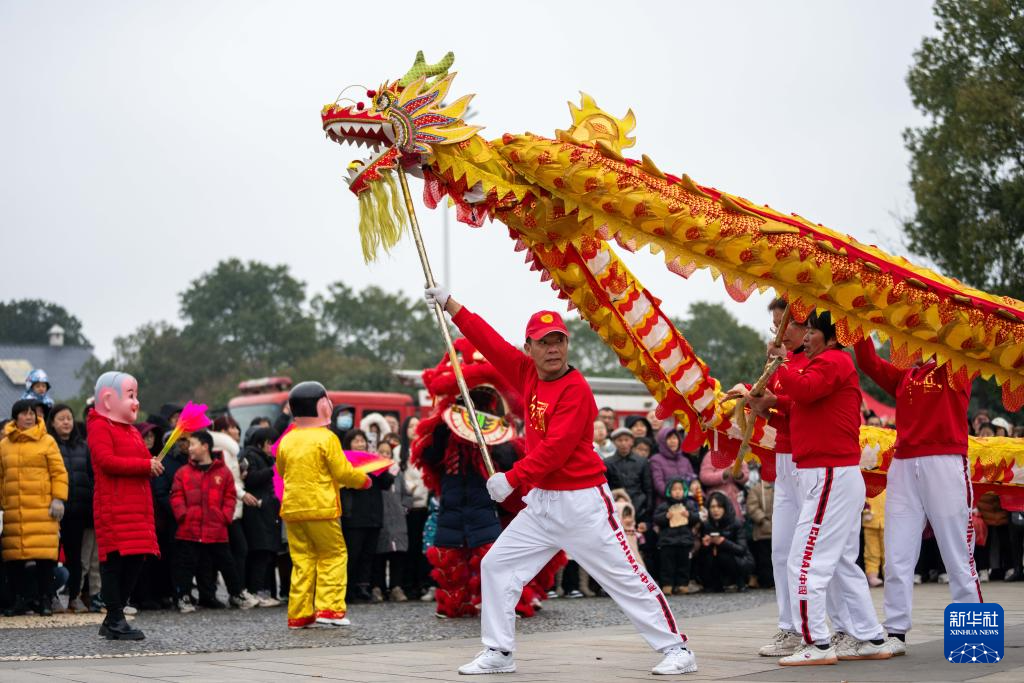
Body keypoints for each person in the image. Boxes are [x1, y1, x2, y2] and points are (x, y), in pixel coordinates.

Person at [425, 285, 696, 676]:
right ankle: (499, 652)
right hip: (544, 505)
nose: (553, 349)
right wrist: (451, 305)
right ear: (529, 347)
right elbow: (488, 339)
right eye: (544, 343)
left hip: (583, 504)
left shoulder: (576, 389)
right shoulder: (524, 371)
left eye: (559, 341)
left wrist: (512, 479)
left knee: (625, 578)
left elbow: (557, 450)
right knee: (497, 566)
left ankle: (677, 649)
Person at [762, 312, 891, 665]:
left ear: (832, 338)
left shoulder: (834, 361)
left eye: (813, 332)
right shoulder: (827, 363)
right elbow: (801, 400)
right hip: (831, 473)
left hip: (829, 473)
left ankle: (816, 643)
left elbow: (804, 389)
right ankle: (870, 637)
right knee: (839, 565)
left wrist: (780, 362)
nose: (805, 338)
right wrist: (768, 404)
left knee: (803, 562)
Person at [853, 333, 981, 654]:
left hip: (946, 461)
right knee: (898, 553)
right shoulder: (905, 375)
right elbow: (868, 362)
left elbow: (973, 341)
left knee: (957, 552)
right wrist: (855, 322)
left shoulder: (955, 366)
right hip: (904, 464)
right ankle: (895, 632)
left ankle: (974, 636)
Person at [729, 298, 809, 658]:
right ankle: (789, 628)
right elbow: (776, 411)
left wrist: (773, 398)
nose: (778, 333)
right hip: (786, 460)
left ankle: (841, 629)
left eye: (784, 324)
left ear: (808, 329)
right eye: (774, 325)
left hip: (814, 461)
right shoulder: (778, 362)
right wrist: (751, 397)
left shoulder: (817, 361)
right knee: (781, 550)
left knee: (814, 553)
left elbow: (805, 405)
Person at [277, 382, 371, 628]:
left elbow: (281, 470)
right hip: (321, 507)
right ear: (322, 406)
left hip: (292, 509)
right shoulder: (326, 438)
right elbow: (342, 472)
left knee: (302, 559)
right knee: (333, 555)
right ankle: (329, 610)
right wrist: (362, 480)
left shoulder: (288, 439)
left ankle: (299, 614)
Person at [87, 372, 161, 640]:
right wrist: (145, 465)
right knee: (114, 562)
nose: (136, 402)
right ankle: (116, 617)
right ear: (108, 399)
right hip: (114, 506)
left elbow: (138, 463)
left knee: (136, 558)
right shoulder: (99, 426)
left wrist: (150, 463)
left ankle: (112, 618)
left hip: (135, 507)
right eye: (131, 396)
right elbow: (106, 461)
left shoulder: (130, 430)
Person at [170, 430, 259, 613]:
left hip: (216, 528)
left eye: (193, 444)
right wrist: (183, 515)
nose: (190, 448)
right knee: (186, 565)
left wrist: (225, 516)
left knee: (227, 563)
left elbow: (229, 497)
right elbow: (176, 496)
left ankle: (236, 594)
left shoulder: (223, 472)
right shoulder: (183, 472)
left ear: (205, 446)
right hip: (190, 529)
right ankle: (183, 597)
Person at [1, 399, 68, 616]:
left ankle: (45, 599)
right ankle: (20, 600)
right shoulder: (4, 445)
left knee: (44, 560)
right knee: (15, 561)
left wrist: (58, 498)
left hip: (42, 510)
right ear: (16, 417)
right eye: (24, 413)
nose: (29, 417)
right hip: (13, 510)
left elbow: (59, 472)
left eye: (32, 413)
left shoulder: (47, 441)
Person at [338, 426, 393, 604]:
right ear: (349, 444)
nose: (360, 444)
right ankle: (347, 589)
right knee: (352, 555)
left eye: (363, 440)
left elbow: (386, 484)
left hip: (373, 515)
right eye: (357, 441)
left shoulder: (372, 461)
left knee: (368, 555)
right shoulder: (344, 462)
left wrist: (381, 465)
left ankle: (363, 587)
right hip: (354, 517)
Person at [48, 404, 93, 612]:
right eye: (61, 419)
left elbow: (91, 478)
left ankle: (74, 596)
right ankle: (51, 597)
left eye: (69, 418)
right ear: (52, 423)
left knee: (76, 558)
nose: (66, 422)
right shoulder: (48, 446)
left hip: (78, 511)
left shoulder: (83, 447)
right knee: (51, 556)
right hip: (53, 513)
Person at [239, 427, 281, 606]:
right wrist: (273, 470)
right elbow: (251, 479)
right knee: (259, 552)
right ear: (260, 443)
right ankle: (256, 591)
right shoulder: (251, 456)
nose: (272, 447)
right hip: (255, 512)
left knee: (266, 553)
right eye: (270, 443)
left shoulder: (265, 458)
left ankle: (263, 590)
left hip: (267, 511)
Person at [693, 491, 752, 593]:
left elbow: (742, 549)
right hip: (715, 559)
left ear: (725, 508)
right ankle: (712, 584)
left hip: (739, 560)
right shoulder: (707, 525)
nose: (715, 510)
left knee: (723, 554)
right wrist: (705, 545)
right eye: (712, 507)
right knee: (706, 555)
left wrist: (723, 541)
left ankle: (740, 582)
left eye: (719, 507)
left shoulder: (736, 523)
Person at [654, 478, 698, 595]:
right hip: (667, 542)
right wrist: (666, 516)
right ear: (669, 491)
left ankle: (682, 585)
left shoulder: (689, 504)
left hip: (684, 541)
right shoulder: (664, 506)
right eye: (674, 489)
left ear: (684, 491)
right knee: (667, 566)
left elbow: (696, 518)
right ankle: (667, 585)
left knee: (684, 565)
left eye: (680, 489)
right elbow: (656, 518)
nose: (677, 492)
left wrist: (690, 515)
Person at [651, 426, 696, 508]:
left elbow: (692, 478)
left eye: (675, 438)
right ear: (662, 442)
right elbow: (658, 483)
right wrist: (674, 496)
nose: (673, 441)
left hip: (686, 504)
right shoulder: (656, 460)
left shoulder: (685, 460)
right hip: (665, 504)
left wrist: (696, 488)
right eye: (669, 439)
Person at [745, 478, 774, 591]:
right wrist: (762, 520)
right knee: (764, 558)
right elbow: (752, 507)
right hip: (763, 531)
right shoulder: (757, 488)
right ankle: (767, 581)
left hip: (780, 529)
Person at [862, 490, 885, 587]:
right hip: (870, 521)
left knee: (888, 552)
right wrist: (865, 511)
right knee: (871, 551)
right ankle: (872, 576)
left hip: (888, 522)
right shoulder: (868, 483)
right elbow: (862, 498)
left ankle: (889, 575)